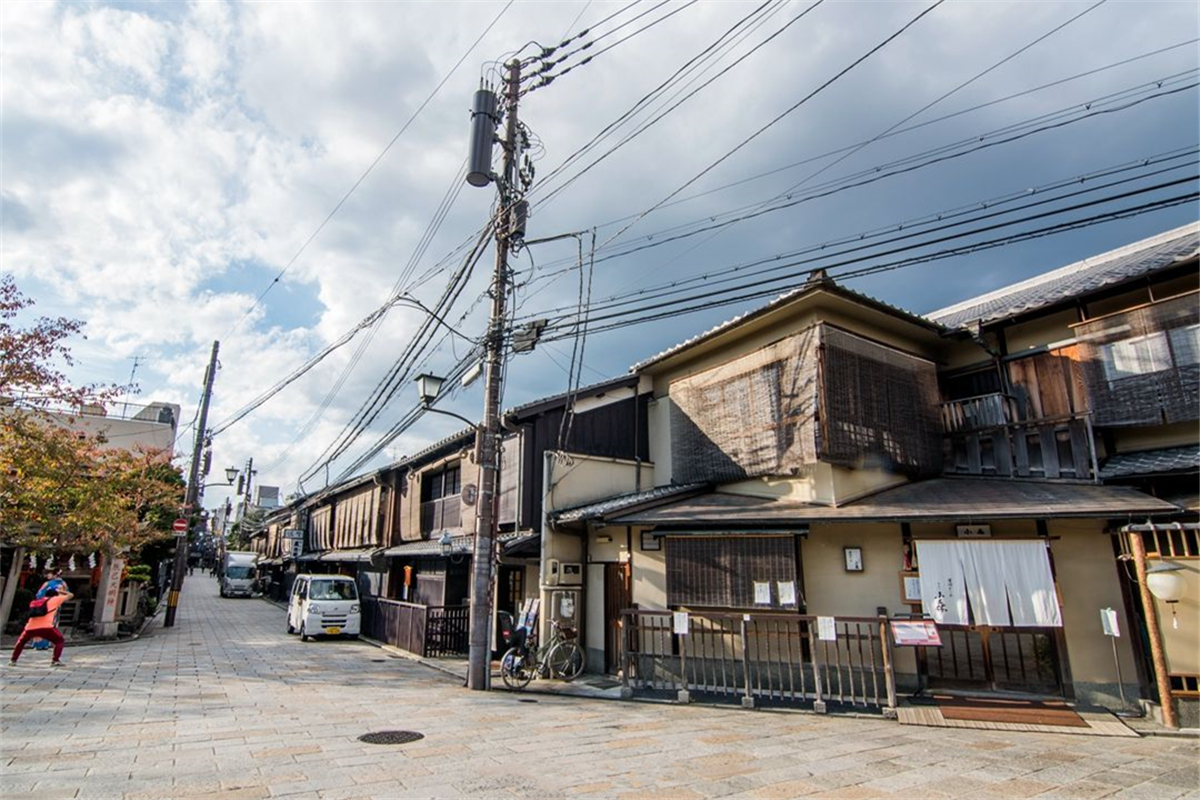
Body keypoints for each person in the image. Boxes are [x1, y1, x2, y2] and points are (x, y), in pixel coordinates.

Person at [10, 588, 73, 666]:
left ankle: (13, 660)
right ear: (55, 595)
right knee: (59, 640)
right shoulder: (55, 600)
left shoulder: (35, 602)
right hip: (46, 627)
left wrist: (36, 634)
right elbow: (70, 595)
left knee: (21, 642)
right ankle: (55, 660)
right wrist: (60, 591)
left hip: (30, 627)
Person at [31, 570, 67, 651]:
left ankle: (39, 644)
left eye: (49, 574)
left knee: (41, 623)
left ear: (54, 575)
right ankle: (47, 643)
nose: (47, 575)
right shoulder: (63, 584)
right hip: (56, 604)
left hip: (45, 604)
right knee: (52, 624)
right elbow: (66, 594)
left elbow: (39, 594)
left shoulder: (47, 583)